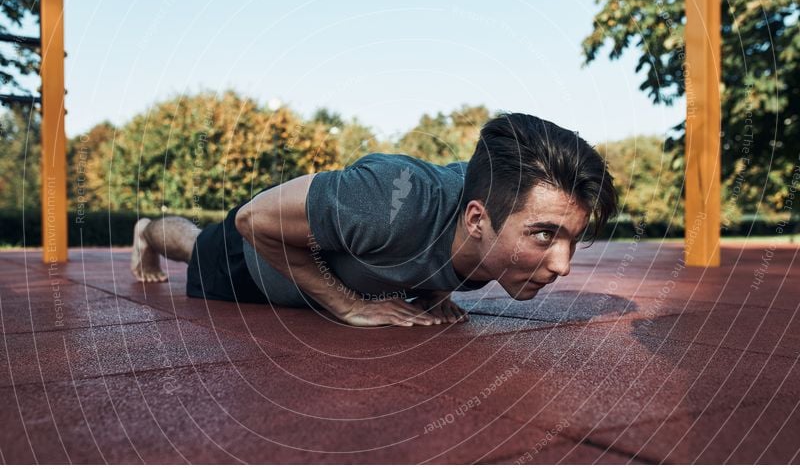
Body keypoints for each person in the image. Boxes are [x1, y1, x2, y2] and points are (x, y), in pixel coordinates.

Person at [130, 113, 618, 328]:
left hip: (309, 278)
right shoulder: (393, 201)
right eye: (544, 236)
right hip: (255, 255)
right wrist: (346, 305)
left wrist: (433, 292)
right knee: (194, 245)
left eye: (573, 240)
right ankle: (147, 231)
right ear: (476, 220)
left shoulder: (494, 247)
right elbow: (255, 219)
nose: (562, 265)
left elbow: (437, 248)